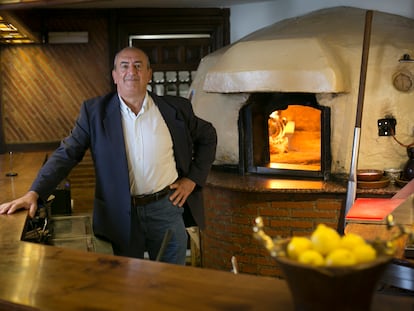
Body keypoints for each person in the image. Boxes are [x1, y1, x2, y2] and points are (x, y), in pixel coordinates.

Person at [0, 47, 217, 265]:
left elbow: (208, 136)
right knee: (125, 287)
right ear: (115, 75)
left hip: (166, 207)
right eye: (124, 66)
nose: (131, 71)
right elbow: (67, 154)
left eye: (138, 65)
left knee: (173, 281)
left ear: (149, 74)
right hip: (119, 213)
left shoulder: (176, 108)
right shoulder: (94, 112)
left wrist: (192, 180)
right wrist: (34, 193)